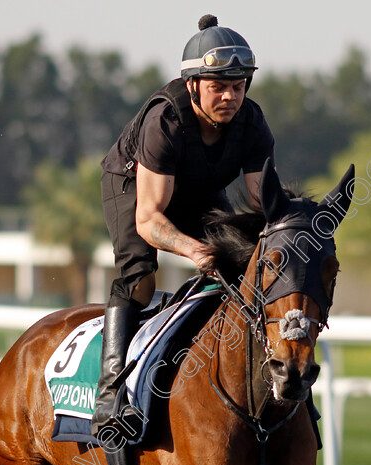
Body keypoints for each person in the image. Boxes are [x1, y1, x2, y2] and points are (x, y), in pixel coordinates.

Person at [92, 14, 275, 438]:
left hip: (198, 187)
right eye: (219, 87)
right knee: (141, 275)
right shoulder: (166, 121)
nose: (230, 96)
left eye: (238, 85)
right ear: (192, 85)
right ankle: (110, 392)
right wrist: (195, 251)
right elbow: (150, 219)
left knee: (239, 261)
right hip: (135, 189)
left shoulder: (252, 122)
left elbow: (261, 201)